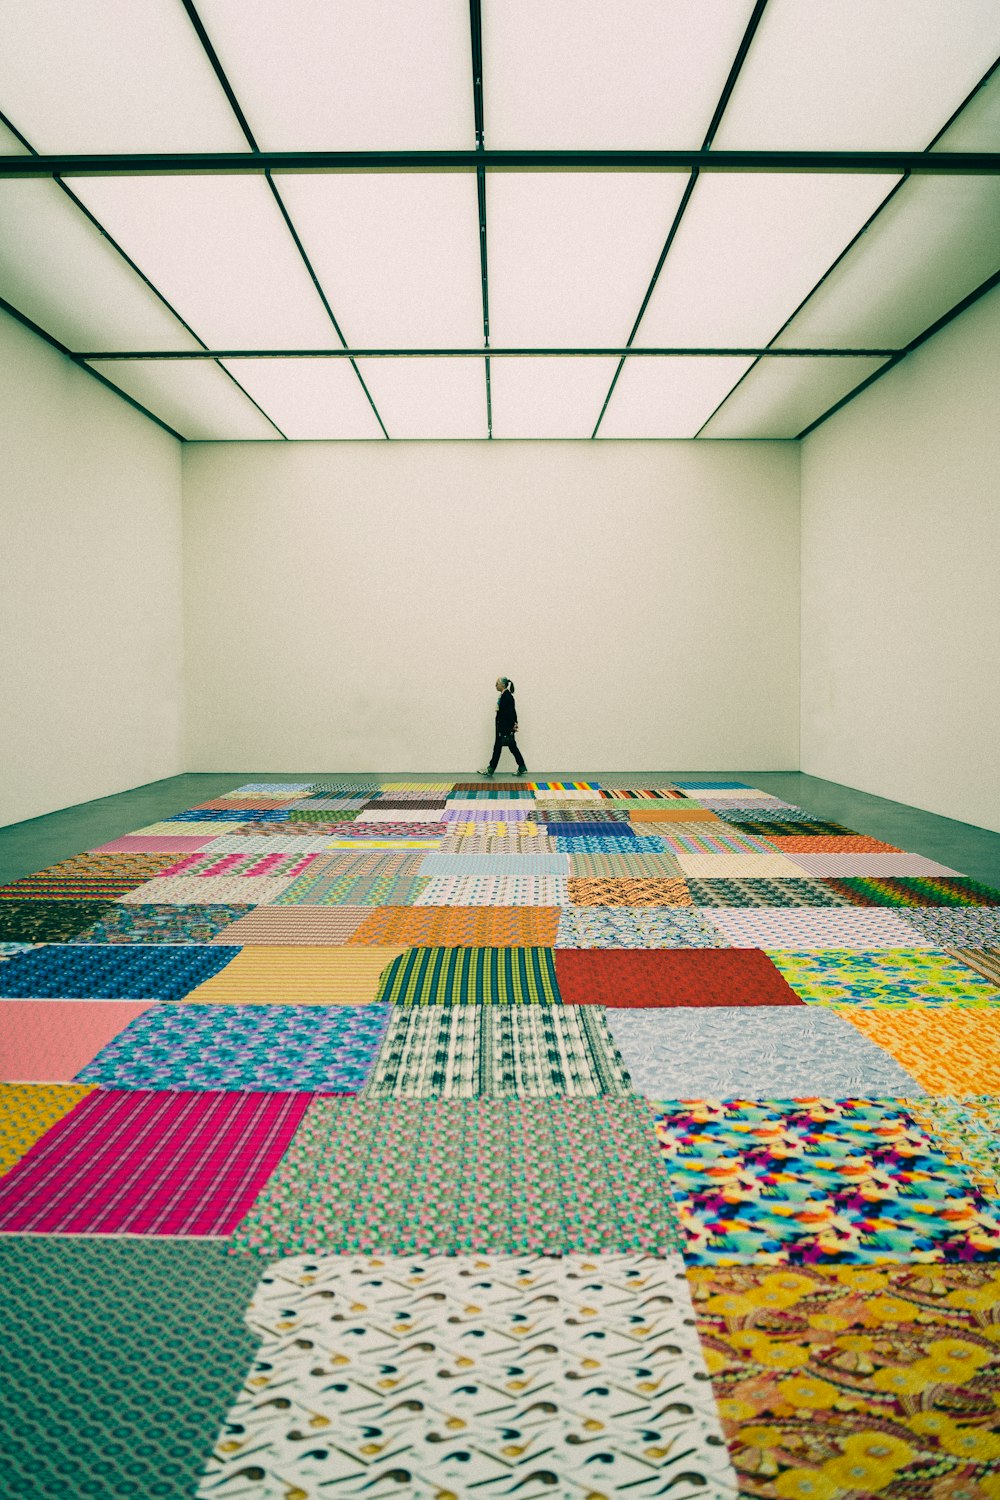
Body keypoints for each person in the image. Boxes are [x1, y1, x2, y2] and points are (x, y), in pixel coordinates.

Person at [480, 676, 528, 776]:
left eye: (497, 683)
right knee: (511, 748)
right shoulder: (505, 695)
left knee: (498, 748)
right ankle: (522, 766)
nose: (495, 685)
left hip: (504, 729)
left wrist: (510, 727)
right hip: (505, 728)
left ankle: (491, 769)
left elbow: (511, 713)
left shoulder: (507, 696)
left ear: (502, 685)